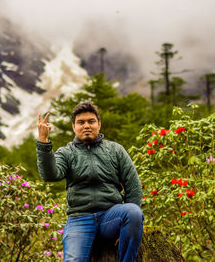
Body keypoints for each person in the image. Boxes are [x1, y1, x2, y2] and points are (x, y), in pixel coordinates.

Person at [36, 101, 143, 262]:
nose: (86, 126)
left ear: (99, 124)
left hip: (111, 216)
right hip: (79, 219)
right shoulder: (66, 152)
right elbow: (50, 175)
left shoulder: (115, 150)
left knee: (133, 212)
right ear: (74, 127)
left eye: (91, 121)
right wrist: (43, 141)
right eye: (81, 122)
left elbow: (133, 187)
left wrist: (126, 230)